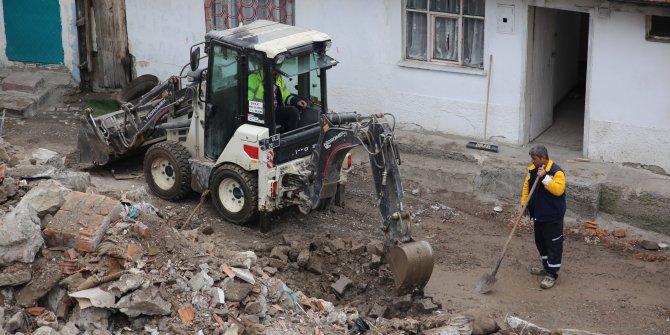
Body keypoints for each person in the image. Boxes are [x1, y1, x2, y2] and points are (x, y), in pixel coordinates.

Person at [521, 144, 566, 289]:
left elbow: (558, 190)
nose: (532, 161)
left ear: (543, 158)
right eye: (532, 158)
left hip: (552, 216)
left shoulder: (556, 171)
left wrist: (545, 177)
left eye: (534, 158)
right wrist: (525, 204)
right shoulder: (532, 169)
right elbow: (526, 186)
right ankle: (547, 267)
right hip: (538, 215)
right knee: (540, 241)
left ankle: (552, 274)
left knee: (553, 243)